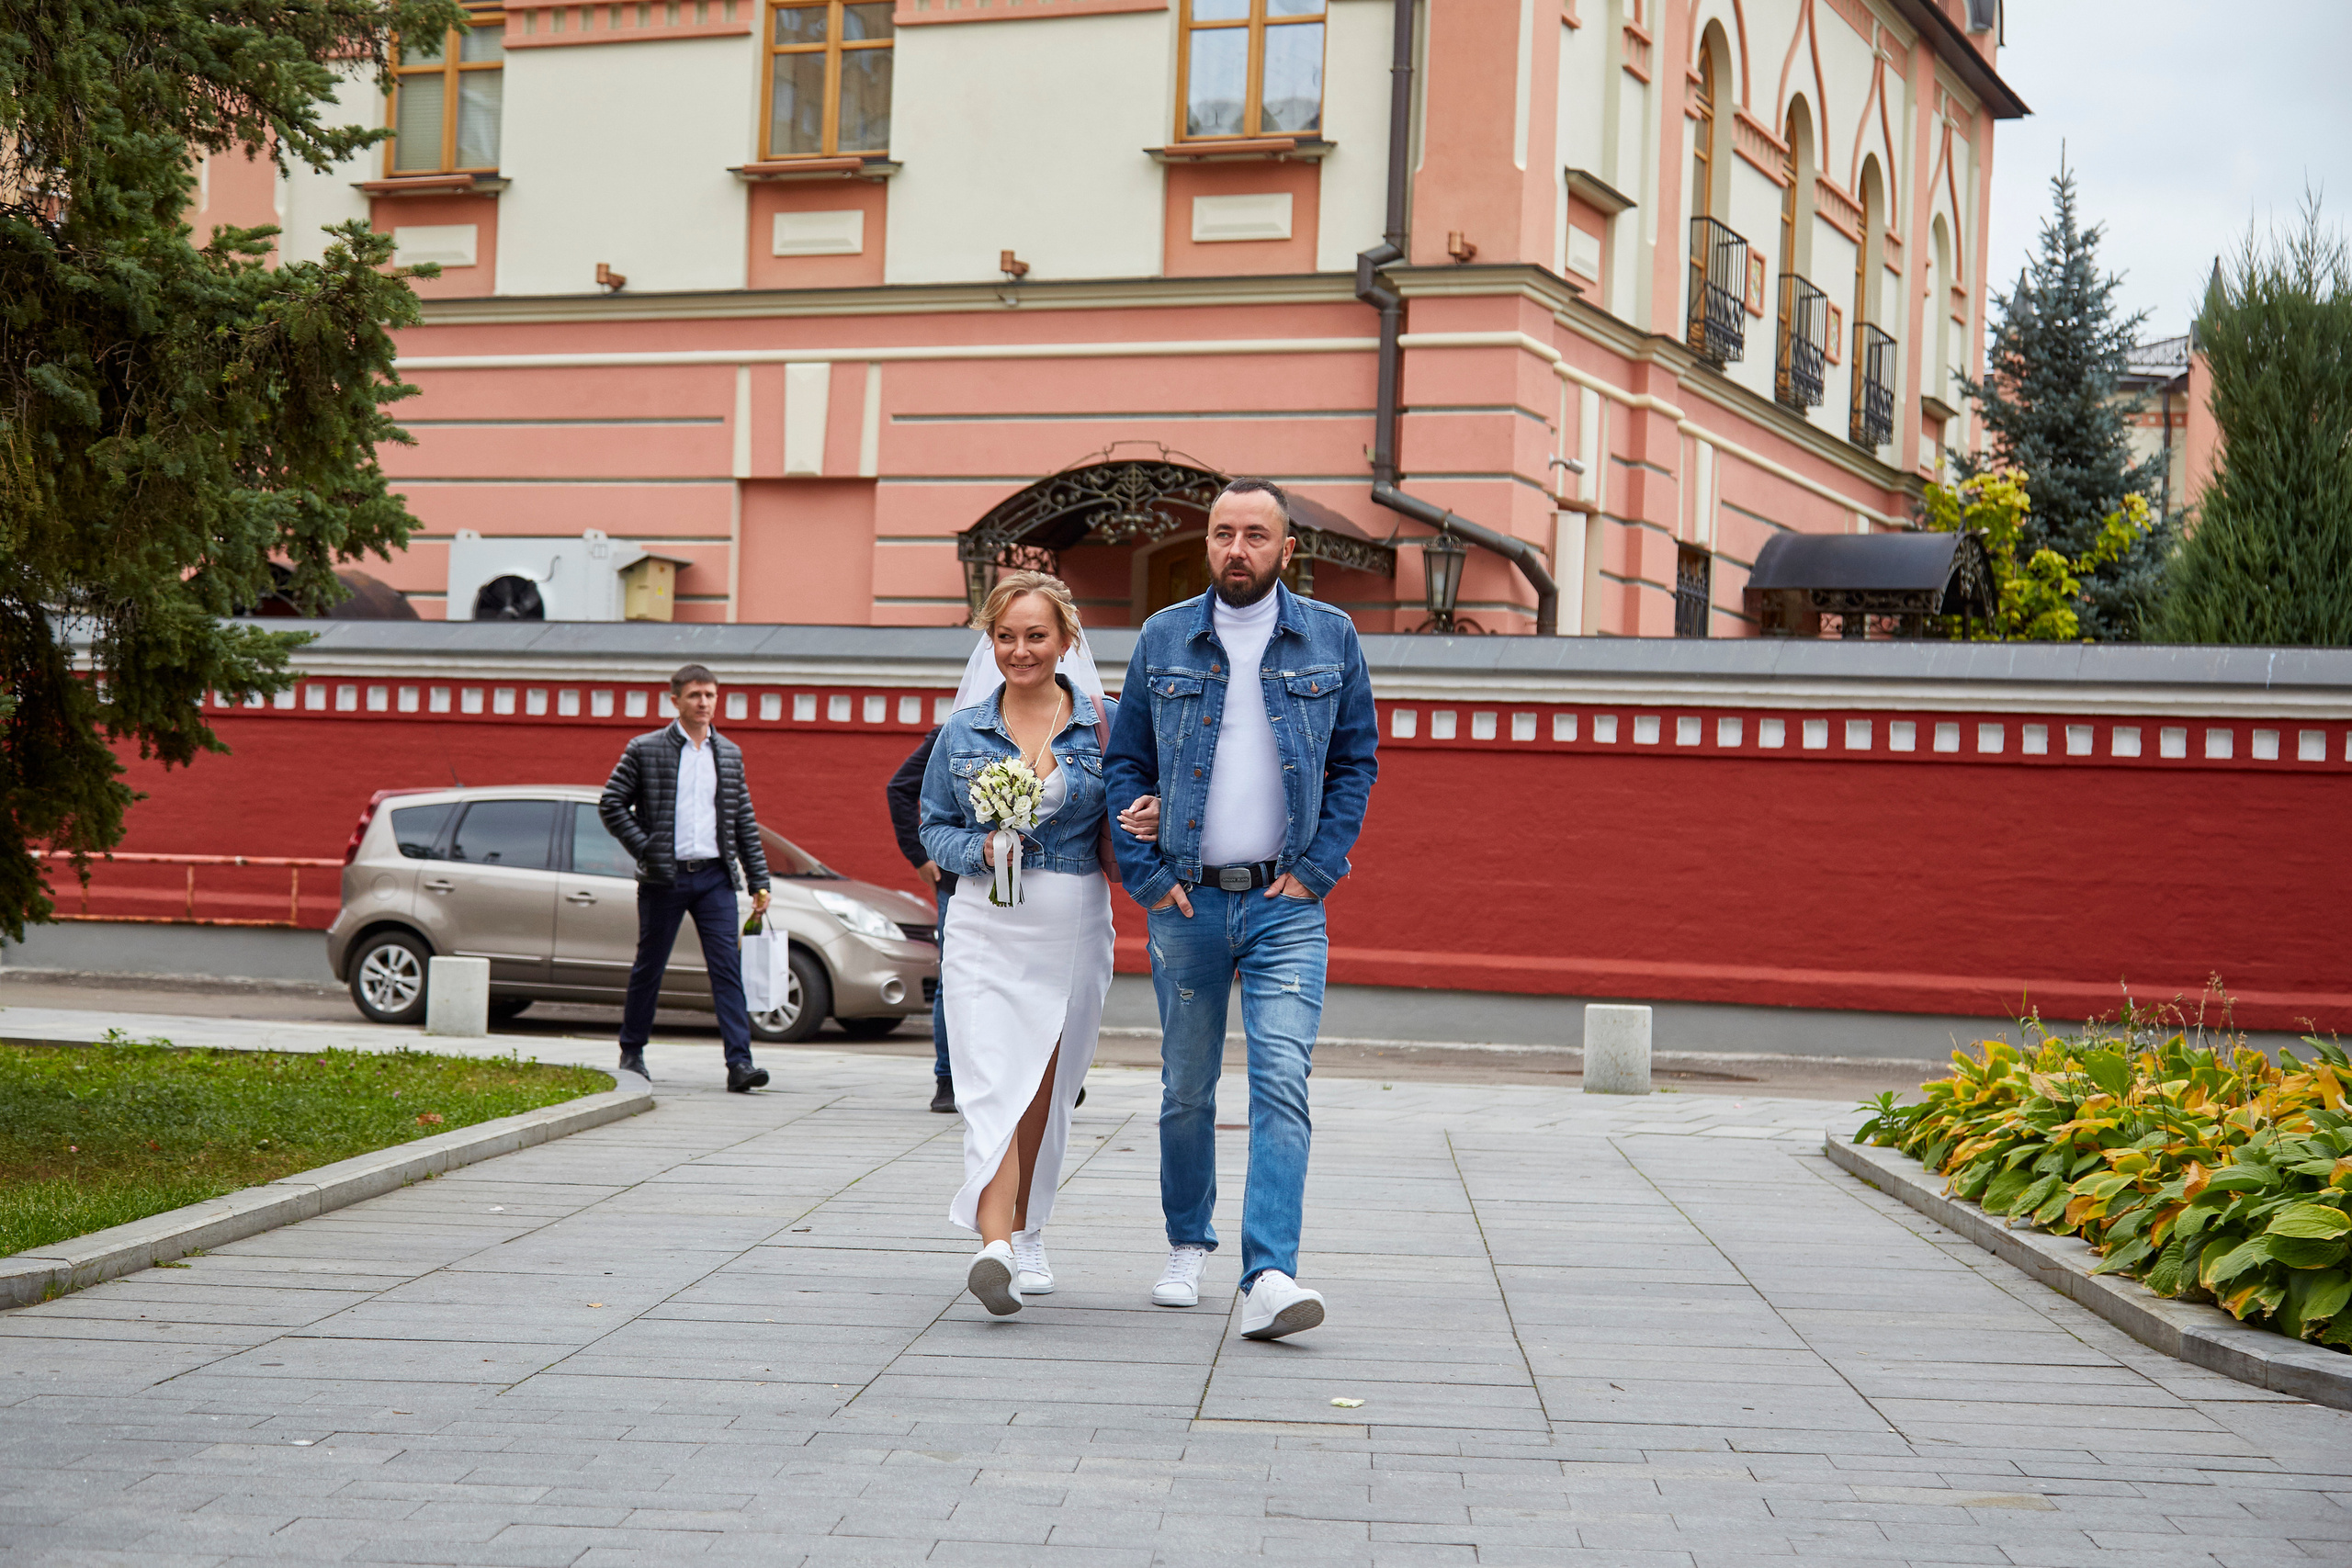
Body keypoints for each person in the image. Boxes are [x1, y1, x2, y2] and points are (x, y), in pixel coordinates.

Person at [1103, 478, 1379, 1341]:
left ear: (1286, 549)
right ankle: (1188, 1242)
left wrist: (1319, 869)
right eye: (1224, 533)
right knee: (1186, 1088)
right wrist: (1148, 876)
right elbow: (1124, 764)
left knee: (1281, 1080)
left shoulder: (1331, 637)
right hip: (1186, 900)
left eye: (1255, 535)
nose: (1236, 549)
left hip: (1284, 903)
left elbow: (1356, 761)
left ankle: (1270, 1273)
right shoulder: (1164, 636)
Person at [919, 572, 1116, 1315]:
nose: (1020, 650)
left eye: (1036, 635)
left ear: (1066, 640)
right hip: (982, 921)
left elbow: (1133, 804)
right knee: (989, 1079)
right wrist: (983, 849)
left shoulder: (1105, 722)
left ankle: (1030, 1231)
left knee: (1045, 1084)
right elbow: (933, 822)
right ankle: (993, 1245)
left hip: (1071, 919)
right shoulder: (963, 730)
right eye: (1005, 635)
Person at [599, 662, 774, 1093]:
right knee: (650, 966)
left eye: (710, 695)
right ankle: (633, 1051)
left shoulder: (728, 753)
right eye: (695, 695)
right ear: (674, 699)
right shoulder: (645, 748)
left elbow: (743, 820)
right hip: (665, 878)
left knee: (726, 969)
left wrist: (759, 879)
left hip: (714, 876)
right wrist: (648, 849)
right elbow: (611, 804)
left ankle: (740, 1063)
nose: (704, 703)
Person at [887, 728, 957, 1114]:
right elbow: (900, 788)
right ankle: (947, 1079)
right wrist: (918, 855)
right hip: (958, 880)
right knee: (954, 980)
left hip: (1035, 879)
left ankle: (1047, 1072)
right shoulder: (953, 730)